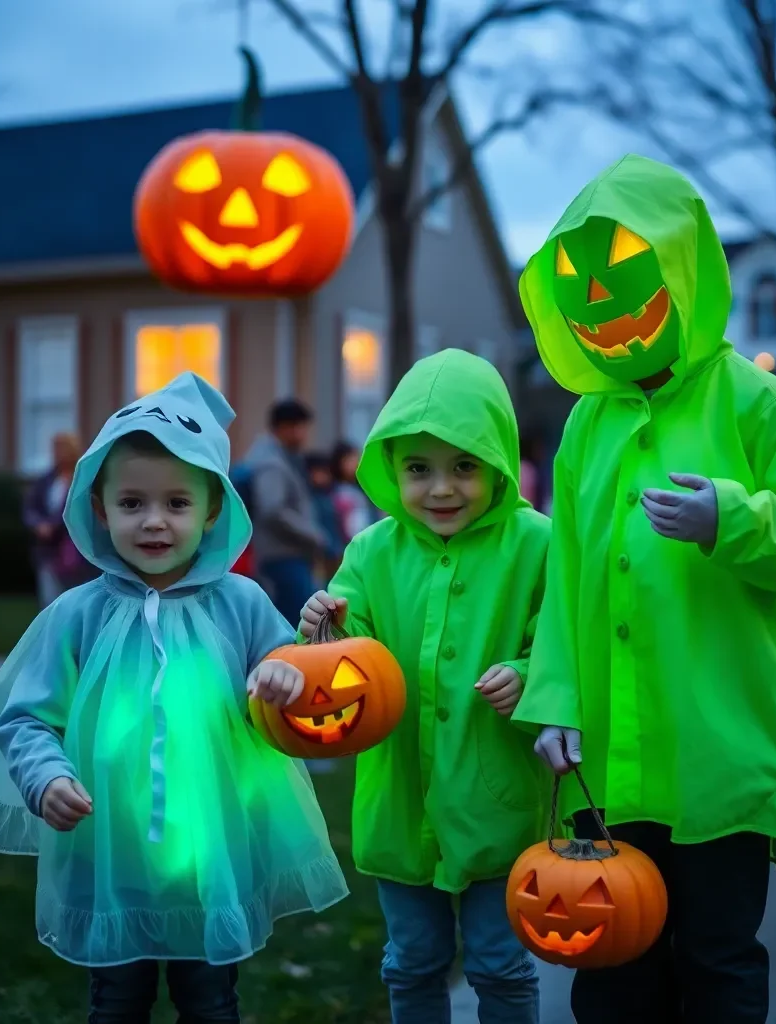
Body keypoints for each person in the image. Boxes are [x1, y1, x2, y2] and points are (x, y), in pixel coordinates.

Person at [511, 155, 776, 1024]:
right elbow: (568, 579)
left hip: (721, 746)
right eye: (584, 301)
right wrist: (557, 698)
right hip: (613, 758)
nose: (609, 320)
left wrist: (732, 519)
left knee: (717, 957)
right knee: (614, 960)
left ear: (681, 270)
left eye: (631, 292)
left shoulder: (755, 400)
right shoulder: (586, 425)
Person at [0, 373, 347, 1022]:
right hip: (110, 851)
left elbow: (289, 683)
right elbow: (25, 718)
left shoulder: (240, 604)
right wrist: (44, 775)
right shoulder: (77, 616)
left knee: (211, 999)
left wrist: (279, 679)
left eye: (177, 504)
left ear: (213, 510)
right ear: (98, 507)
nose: (154, 522)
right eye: (131, 503)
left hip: (209, 851)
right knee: (117, 1000)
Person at [300, 349, 550, 1024]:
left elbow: (559, 644)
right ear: (392, 469)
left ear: (498, 460)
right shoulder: (372, 552)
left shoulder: (537, 546)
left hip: (497, 798)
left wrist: (528, 673)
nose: (441, 489)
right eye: (418, 469)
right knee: (411, 961)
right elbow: (345, 652)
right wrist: (322, 630)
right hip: (401, 798)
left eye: (464, 466)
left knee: (500, 962)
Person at [244, 399, 328, 626]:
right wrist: (313, 534)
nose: (303, 434)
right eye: (300, 427)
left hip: (286, 555)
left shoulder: (280, 457)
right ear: (284, 428)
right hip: (282, 557)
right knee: (297, 626)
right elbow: (272, 509)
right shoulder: (271, 462)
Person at [23, 432, 93, 607]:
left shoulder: (83, 478)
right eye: (54, 448)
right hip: (48, 551)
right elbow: (30, 507)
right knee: (49, 601)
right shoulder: (46, 480)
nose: (56, 452)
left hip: (76, 551)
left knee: (76, 601)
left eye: (61, 448)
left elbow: (77, 509)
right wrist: (38, 525)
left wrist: (54, 525)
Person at [304, 451, 345, 583]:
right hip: (319, 550)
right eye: (318, 472)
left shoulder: (330, 495)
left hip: (335, 547)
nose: (322, 477)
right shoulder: (310, 499)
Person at [330, 440, 375, 543]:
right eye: (350, 459)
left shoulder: (363, 489)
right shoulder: (333, 492)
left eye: (357, 458)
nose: (356, 463)